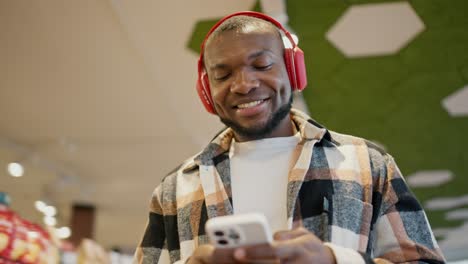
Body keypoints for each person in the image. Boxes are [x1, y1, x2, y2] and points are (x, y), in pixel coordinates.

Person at [134, 11, 445, 264]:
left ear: (293, 71)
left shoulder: (368, 164)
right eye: (223, 75)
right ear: (206, 91)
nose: (243, 84)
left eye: (262, 65)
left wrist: (334, 260)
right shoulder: (173, 190)